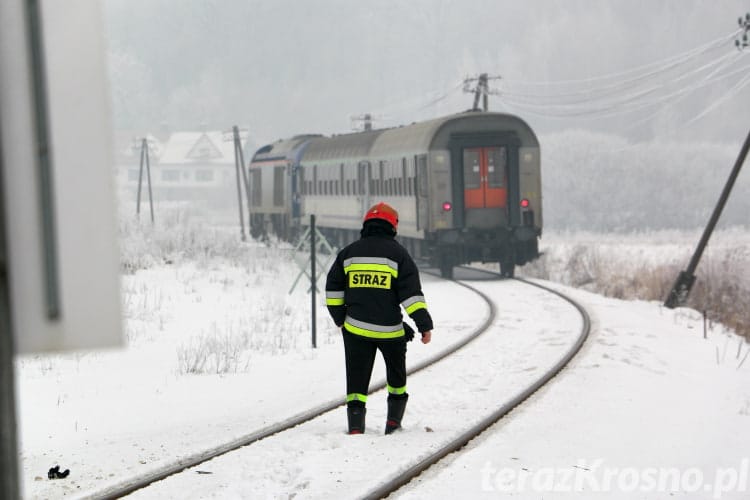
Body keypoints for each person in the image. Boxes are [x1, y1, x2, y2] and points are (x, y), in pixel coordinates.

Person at [325, 202, 434, 435]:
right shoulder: (399, 255)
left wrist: (340, 318)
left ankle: (355, 426)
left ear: (366, 225)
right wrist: (423, 325)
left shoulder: (348, 253)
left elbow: (333, 290)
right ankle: (393, 423)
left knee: (356, 380)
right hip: (390, 332)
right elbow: (411, 295)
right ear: (392, 227)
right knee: (397, 377)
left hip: (355, 329)